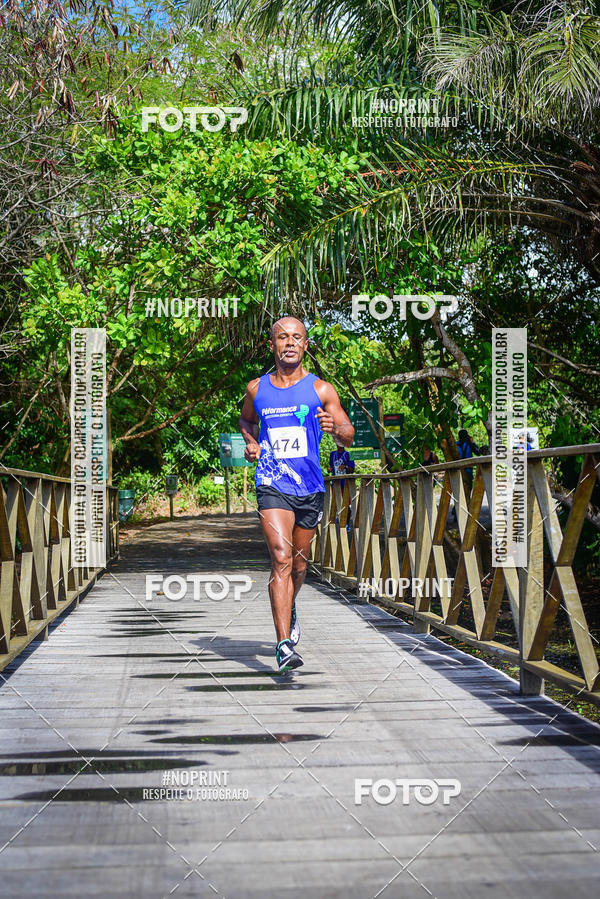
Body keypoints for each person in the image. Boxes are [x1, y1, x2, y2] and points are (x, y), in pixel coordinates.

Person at [239, 316, 355, 672]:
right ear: (271, 344)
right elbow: (245, 420)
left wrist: (337, 429)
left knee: (300, 564)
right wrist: (251, 442)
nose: (289, 342)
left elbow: (348, 435)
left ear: (305, 345)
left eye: (297, 337)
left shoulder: (321, 389)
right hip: (272, 484)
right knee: (280, 557)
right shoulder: (257, 389)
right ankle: (283, 644)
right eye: (282, 337)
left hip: (309, 487)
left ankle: (289, 607)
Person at [456, 428, 481, 493]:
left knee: (460, 488)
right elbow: (478, 452)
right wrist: (472, 442)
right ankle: (468, 501)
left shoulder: (456, 445)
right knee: (468, 487)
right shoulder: (469, 444)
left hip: (458, 469)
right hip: (468, 469)